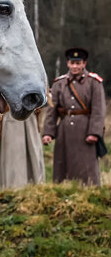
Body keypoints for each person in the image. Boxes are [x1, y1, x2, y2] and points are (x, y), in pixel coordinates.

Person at [42, 47, 106, 186]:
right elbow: (52, 111)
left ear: (84, 64)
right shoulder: (59, 83)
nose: (75, 66)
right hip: (64, 130)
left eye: (78, 63)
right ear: (68, 64)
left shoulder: (93, 82)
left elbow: (98, 110)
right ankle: (63, 191)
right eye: (72, 63)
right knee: (61, 165)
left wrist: (94, 132)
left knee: (86, 167)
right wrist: (48, 133)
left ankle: (88, 192)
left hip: (85, 129)